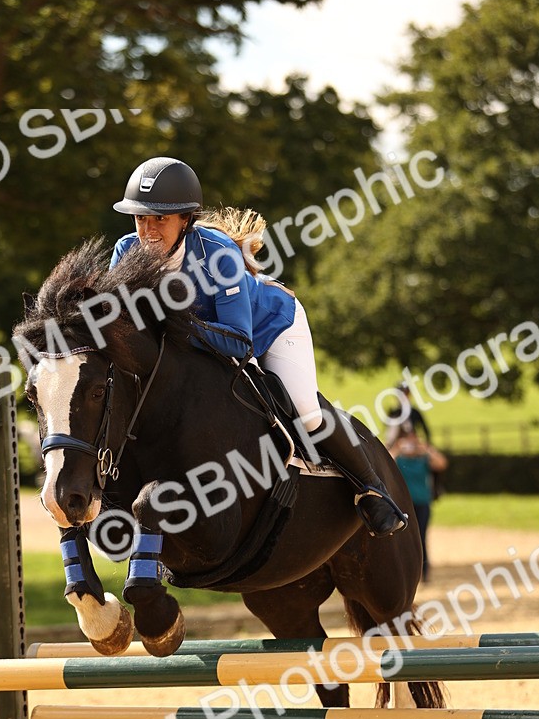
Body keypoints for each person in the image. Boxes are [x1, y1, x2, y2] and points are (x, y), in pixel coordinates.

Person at [108, 155, 407, 537]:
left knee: (304, 411)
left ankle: (371, 488)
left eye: (159, 219)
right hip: (199, 350)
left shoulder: (218, 254)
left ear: (185, 219)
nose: (147, 230)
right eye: (140, 218)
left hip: (272, 327)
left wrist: (176, 324)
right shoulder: (125, 252)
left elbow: (239, 341)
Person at [388, 422, 448, 581]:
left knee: (421, 537)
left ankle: (424, 571)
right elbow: (386, 463)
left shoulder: (424, 459)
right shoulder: (399, 459)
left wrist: (427, 449)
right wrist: (397, 448)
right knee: (401, 539)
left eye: (413, 439)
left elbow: (442, 464)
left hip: (422, 503)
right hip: (402, 506)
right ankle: (405, 571)